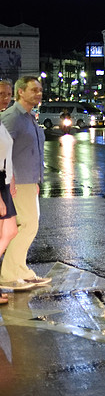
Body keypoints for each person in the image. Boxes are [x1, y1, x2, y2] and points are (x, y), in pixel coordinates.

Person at [0, 75, 50, 291]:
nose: (38, 93)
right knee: (28, 225)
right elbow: (2, 149)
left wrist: (36, 179)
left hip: (29, 180)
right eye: (34, 90)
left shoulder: (30, 117)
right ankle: (11, 273)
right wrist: (8, 179)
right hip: (17, 181)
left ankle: (19, 270)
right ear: (21, 92)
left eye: (40, 90)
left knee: (27, 225)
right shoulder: (12, 117)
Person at [0, 120, 17, 304]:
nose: (5, 98)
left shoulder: (1, 123)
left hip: (4, 181)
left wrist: (11, 177)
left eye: (7, 93)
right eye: (0, 94)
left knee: (12, 231)